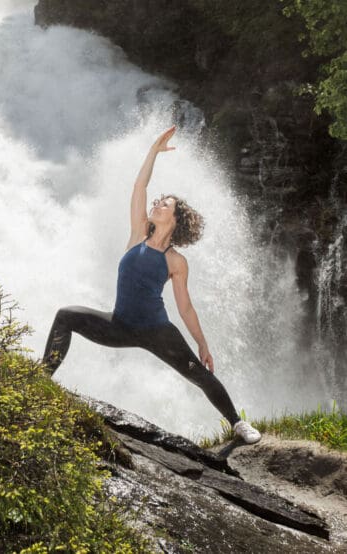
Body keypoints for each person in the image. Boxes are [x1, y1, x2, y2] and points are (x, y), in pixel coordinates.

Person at [41, 124, 261, 445]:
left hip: (158, 332)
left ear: (174, 219)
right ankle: (39, 380)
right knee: (65, 315)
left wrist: (203, 343)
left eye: (165, 204)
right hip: (119, 325)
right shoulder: (137, 235)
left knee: (199, 374)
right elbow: (140, 185)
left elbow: (184, 307)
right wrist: (152, 152)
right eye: (158, 202)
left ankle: (238, 424)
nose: (157, 204)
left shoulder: (176, 261)